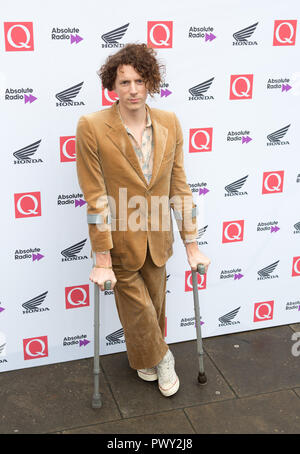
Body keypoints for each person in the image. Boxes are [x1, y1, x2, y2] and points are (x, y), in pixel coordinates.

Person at [76, 43, 211, 397]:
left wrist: (192, 245)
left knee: (153, 308)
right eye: (124, 82)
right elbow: (95, 195)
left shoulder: (169, 122)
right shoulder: (92, 125)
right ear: (112, 86)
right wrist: (102, 258)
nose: (133, 89)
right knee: (139, 311)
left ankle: (147, 357)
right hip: (118, 240)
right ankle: (164, 357)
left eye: (139, 80)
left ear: (150, 81)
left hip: (159, 238)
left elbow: (179, 187)